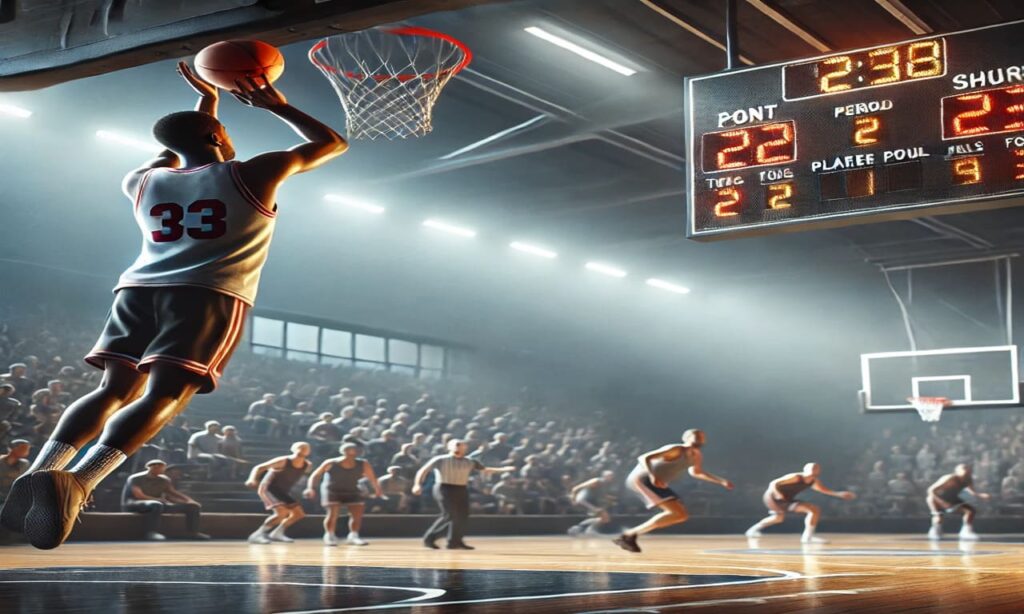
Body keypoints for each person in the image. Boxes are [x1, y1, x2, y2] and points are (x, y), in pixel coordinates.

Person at [0, 60, 346, 550]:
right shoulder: (255, 172)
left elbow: (174, 147)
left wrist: (206, 108)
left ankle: (40, 471)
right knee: (165, 394)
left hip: (137, 290)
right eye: (221, 132)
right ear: (217, 137)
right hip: (208, 292)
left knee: (112, 388)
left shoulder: (141, 180)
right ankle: (80, 480)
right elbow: (332, 143)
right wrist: (278, 105)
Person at [614, 429, 733, 554]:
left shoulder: (696, 455)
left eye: (702, 437)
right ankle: (628, 535)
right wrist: (652, 475)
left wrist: (721, 481)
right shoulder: (675, 449)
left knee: (680, 515)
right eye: (696, 436)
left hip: (656, 483)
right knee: (675, 512)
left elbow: (696, 472)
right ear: (686, 438)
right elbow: (644, 457)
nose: (700, 439)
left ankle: (629, 535)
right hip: (643, 479)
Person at [412, 439, 514, 550]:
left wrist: (503, 469)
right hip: (444, 488)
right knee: (449, 514)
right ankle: (429, 538)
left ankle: (455, 542)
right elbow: (423, 471)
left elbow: (486, 470)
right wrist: (417, 484)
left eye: (462, 445)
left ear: (465, 448)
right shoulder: (440, 459)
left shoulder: (470, 461)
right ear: (449, 447)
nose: (459, 447)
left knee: (462, 516)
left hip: (461, 488)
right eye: (457, 445)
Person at [744, 462, 856, 543]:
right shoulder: (796, 477)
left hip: (787, 500)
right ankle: (753, 530)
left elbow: (822, 490)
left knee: (814, 510)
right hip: (773, 498)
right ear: (806, 469)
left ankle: (808, 537)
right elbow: (773, 484)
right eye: (812, 468)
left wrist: (839, 494)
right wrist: (778, 494)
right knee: (778, 518)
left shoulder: (813, 481)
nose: (814, 470)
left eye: (816, 468)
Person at [305, 443, 382, 546]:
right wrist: (310, 488)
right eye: (348, 451)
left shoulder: (363, 463)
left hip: (352, 489)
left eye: (353, 451)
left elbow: (372, 477)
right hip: (332, 490)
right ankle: (329, 535)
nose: (351, 453)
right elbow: (315, 475)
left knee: (357, 512)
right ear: (343, 452)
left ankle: (353, 536)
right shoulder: (331, 463)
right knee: (333, 513)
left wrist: (377, 489)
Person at [121, 459, 208, 541]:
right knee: (156, 504)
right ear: (152, 467)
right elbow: (139, 495)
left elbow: (173, 492)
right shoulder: (135, 478)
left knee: (192, 507)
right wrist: (158, 500)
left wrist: (189, 500)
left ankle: (193, 533)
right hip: (134, 504)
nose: (162, 469)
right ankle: (151, 533)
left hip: (158, 504)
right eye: (159, 467)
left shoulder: (164, 479)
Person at [246, 442, 312, 544]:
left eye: (305, 448)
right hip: (268, 489)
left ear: (309, 451)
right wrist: (252, 479)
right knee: (282, 513)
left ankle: (278, 533)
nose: (302, 450)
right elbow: (259, 467)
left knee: (299, 514)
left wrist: (308, 488)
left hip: (283, 491)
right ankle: (257, 535)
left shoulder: (307, 465)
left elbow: (302, 477)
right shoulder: (283, 461)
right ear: (293, 449)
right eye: (300, 447)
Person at [927, 463, 991, 541]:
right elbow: (931, 490)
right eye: (964, 468)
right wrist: (942, 502)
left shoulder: (968, 479)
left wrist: (981, 495)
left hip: (952, 499)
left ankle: (966, 531)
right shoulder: (949, 478)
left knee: (970, 510)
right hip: (936, 498)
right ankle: (935, 530)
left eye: (967, 468)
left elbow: (972, 492)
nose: (966, 470)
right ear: (957, 471)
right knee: (938, 516)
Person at [567, 470, 616, 536]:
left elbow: (601, 494)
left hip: (589, 501)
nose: (612, 477)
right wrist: (573, 500)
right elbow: (575, 488)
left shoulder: (605, 485)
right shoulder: (596, 481)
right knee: (603, 515)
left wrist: (609, 499)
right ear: (604, 476)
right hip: (582, 501)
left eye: (612, 476)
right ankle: (584, 529)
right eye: (610, 476)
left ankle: (583, 529)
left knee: (605, 518)